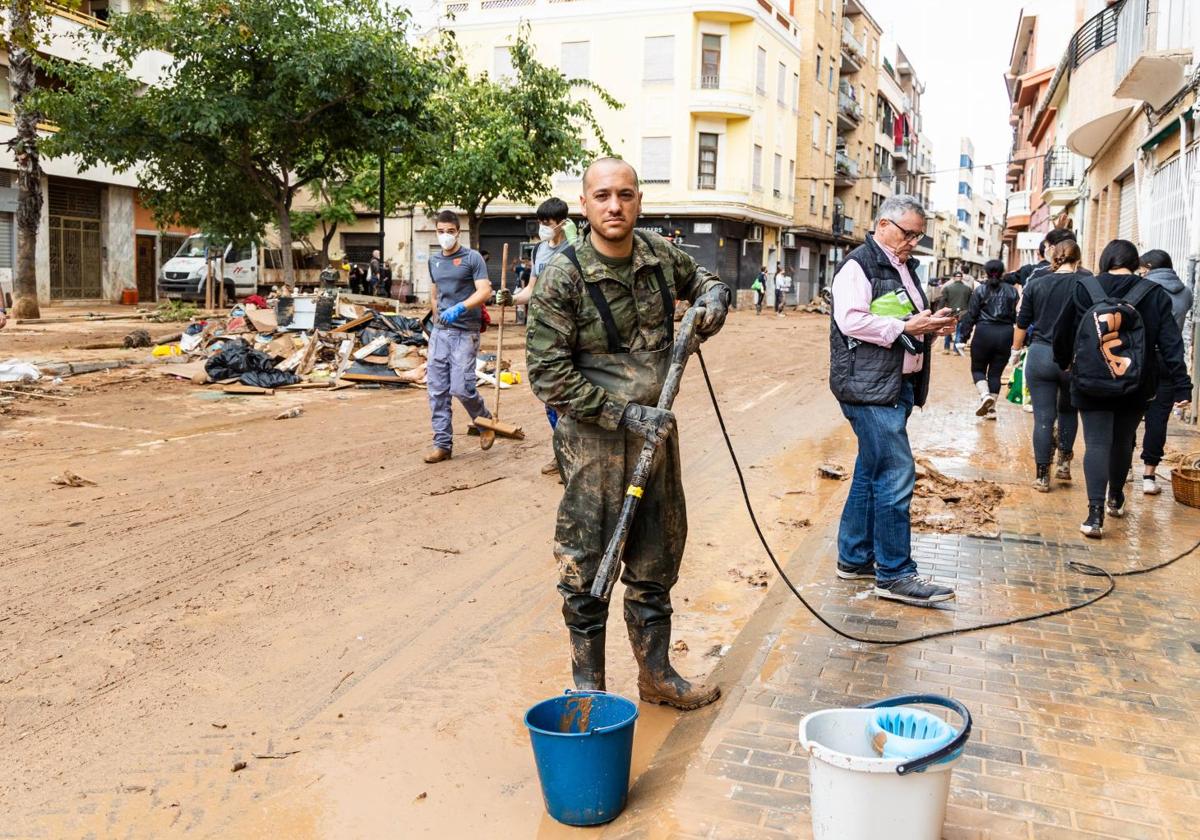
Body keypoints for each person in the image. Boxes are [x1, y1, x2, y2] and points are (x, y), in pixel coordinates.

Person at [526, 157, 731, 708]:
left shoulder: (660, 256)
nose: (614, 206)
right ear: (584, 204)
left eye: (624, 194)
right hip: (595, 442)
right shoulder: (562, 276)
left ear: (639, 199)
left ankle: (656, 676)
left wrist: (713, 300)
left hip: (657, 435)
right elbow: (547, 375)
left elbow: (707, 279)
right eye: (601, 196)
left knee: (655, 558)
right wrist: (623, 414)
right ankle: (589, 687)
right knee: (587, 564)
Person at [829, 194, 957, 606]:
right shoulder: (859, 265)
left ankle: (854, 558)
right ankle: (895, 574)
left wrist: (928, 326)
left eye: (919, 236)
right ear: (883, 224)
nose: (912, 243)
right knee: (896, 474)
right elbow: (850, 320)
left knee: (871, 471)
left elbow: (903, 322)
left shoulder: (904, 267)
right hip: (869, 390)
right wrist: (907, 324)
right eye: (908, 234)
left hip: (893, 387)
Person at [1053, 239, 1192, 538]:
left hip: (1091, 380)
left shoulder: (1084, 288)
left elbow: (1062, 332)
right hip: (1137, 381)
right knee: (1122, 441)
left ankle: (1094, 516)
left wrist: (1065, 362)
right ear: (1136, 264)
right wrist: (1183, 385)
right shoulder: (1154, 293)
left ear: (1105, 260)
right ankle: (1115, 497)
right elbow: (1171, 344)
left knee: (1097, 444)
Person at [423, 210, 497, 464]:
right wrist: (436, 320)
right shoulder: (434, 261)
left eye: (450, 231)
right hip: (440, 333)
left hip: (465, 331)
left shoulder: (472, 258)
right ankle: (442, 444)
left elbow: (485, 290)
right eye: (440, 231)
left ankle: (485, 422)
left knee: (462, 388)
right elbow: (434, 294)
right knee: (437, 390)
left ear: (458, 232)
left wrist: (460, 308)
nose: (445, 236)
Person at [1014, 239, 1083, 491]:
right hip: (1073, 359)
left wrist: (1015, 351)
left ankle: (1042, 475)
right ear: (1078, 260)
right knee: (1068, 412)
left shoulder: (1037, 284)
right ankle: (1064, 463)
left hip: (1041, 355)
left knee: (1043, 417)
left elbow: (1022, 322)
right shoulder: (1086, 284)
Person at [515, 197, 575, 476]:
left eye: (548, 223)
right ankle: (561, 454)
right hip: (542, 330)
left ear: (562, 223)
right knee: (548, 395)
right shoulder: (539, 250)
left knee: (568, 396)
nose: (543, 228)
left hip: (569, 329)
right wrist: (510, 299)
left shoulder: (575, 248)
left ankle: (576, 458)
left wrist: (577, 243)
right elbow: (531, 289)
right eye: (541, 222)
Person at [1138, 249, 1194, 495]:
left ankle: (1124, 468)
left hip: (1143, 357)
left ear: (1149, 267)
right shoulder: (1186, 292)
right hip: (1171, 359)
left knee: (1130, 413)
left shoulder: (1143, 290)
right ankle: (1149, 475)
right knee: (1158, 419)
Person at [959, 260, 1019, 419]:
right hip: (1006, 333)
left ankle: (985, 395)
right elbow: (1015, 316)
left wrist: (963, 337)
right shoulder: (1013, 292)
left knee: (978, 369)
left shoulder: (980, 291)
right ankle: (991, 409)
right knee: (995, 374)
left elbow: (971, 315)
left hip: (984, 333)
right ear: (1002, 271)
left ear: (986, 272)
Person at [938, 271, 972, 354]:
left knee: (948, 330)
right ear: (961, 278)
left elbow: (942, 301)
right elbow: (970, 303)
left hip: (951, 312)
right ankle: (956, 350)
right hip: (963, 313)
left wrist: (940, 312)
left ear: (953, 278)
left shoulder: (947, 288)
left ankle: (946, 348)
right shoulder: (967, 289)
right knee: (959, 332)